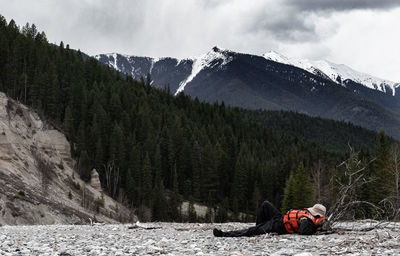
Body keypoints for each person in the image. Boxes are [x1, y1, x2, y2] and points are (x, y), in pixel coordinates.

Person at [213, 200, 327, 237]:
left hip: (278, 226)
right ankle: (259, 227)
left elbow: (303, 231)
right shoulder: (309, 217)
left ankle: (223, 234)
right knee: (265, 204)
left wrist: (314, 229)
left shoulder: (308, 221)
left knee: (250, 231)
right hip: (280, 218)